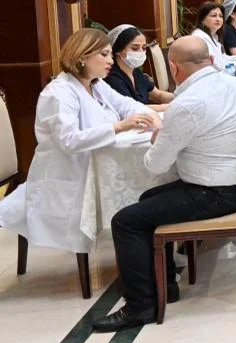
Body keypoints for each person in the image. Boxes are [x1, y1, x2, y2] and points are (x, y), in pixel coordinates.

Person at [92, 36, 236, 332]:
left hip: (215, 192)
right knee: (148, 199)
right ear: (210, 60)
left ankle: (140, 306)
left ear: (174, 68)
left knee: (125, 222)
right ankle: (165, 283)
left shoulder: (187, 104)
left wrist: (159, 138)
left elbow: (155, 164)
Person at [0, 28, 160, 256]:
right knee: (146, 187)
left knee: (149, 184)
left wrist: (150, 118)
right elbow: (69, 140)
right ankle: (146, 251)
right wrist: (118, 126)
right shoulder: (58, 93)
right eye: (104, 54)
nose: (110, 60)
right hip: (70, 176)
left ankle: (152, 250)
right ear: (83, 56)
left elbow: (127, 105)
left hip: (98, 165)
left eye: (110, 54)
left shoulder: (96, 84)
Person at [103, 24, 174, 107]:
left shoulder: (135, 72)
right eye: (135, 48)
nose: (141, 52)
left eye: (144, 48)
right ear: (118, 50)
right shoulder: (112, 78)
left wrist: (181, 97)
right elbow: (132, 108)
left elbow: (158, 95)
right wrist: (171, 107)